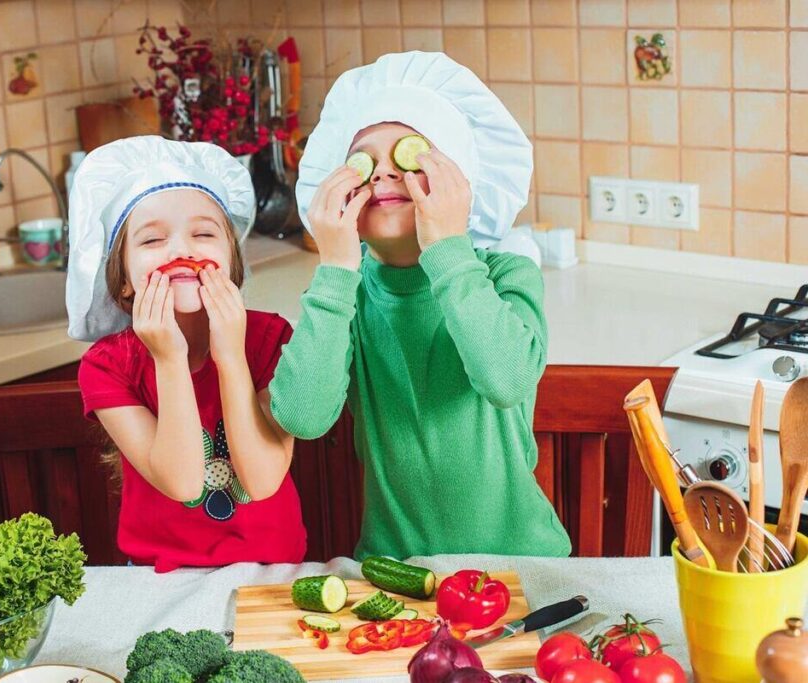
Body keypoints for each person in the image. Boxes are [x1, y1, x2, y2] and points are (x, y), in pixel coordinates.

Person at [271, 51, 571, 560]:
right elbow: (304, 416)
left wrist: (448, 246)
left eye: (410, 157)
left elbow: (506, 381)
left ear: (460, 181)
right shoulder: (344, 295)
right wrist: (337, 265)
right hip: (394, 568)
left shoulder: (505, 275)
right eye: (363, 163)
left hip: (522, 564)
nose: (385, 174)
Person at [67, 136, 306, 571]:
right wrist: (169, 359)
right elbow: (182, 481)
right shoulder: (106, 367)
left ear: (232, 264)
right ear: (123, 280)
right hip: (160, 577)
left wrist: (230, 354)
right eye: (153, 239)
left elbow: (264, 477)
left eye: (202, 233)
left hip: (271, 569)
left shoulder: (271, 339)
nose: (182, 250)